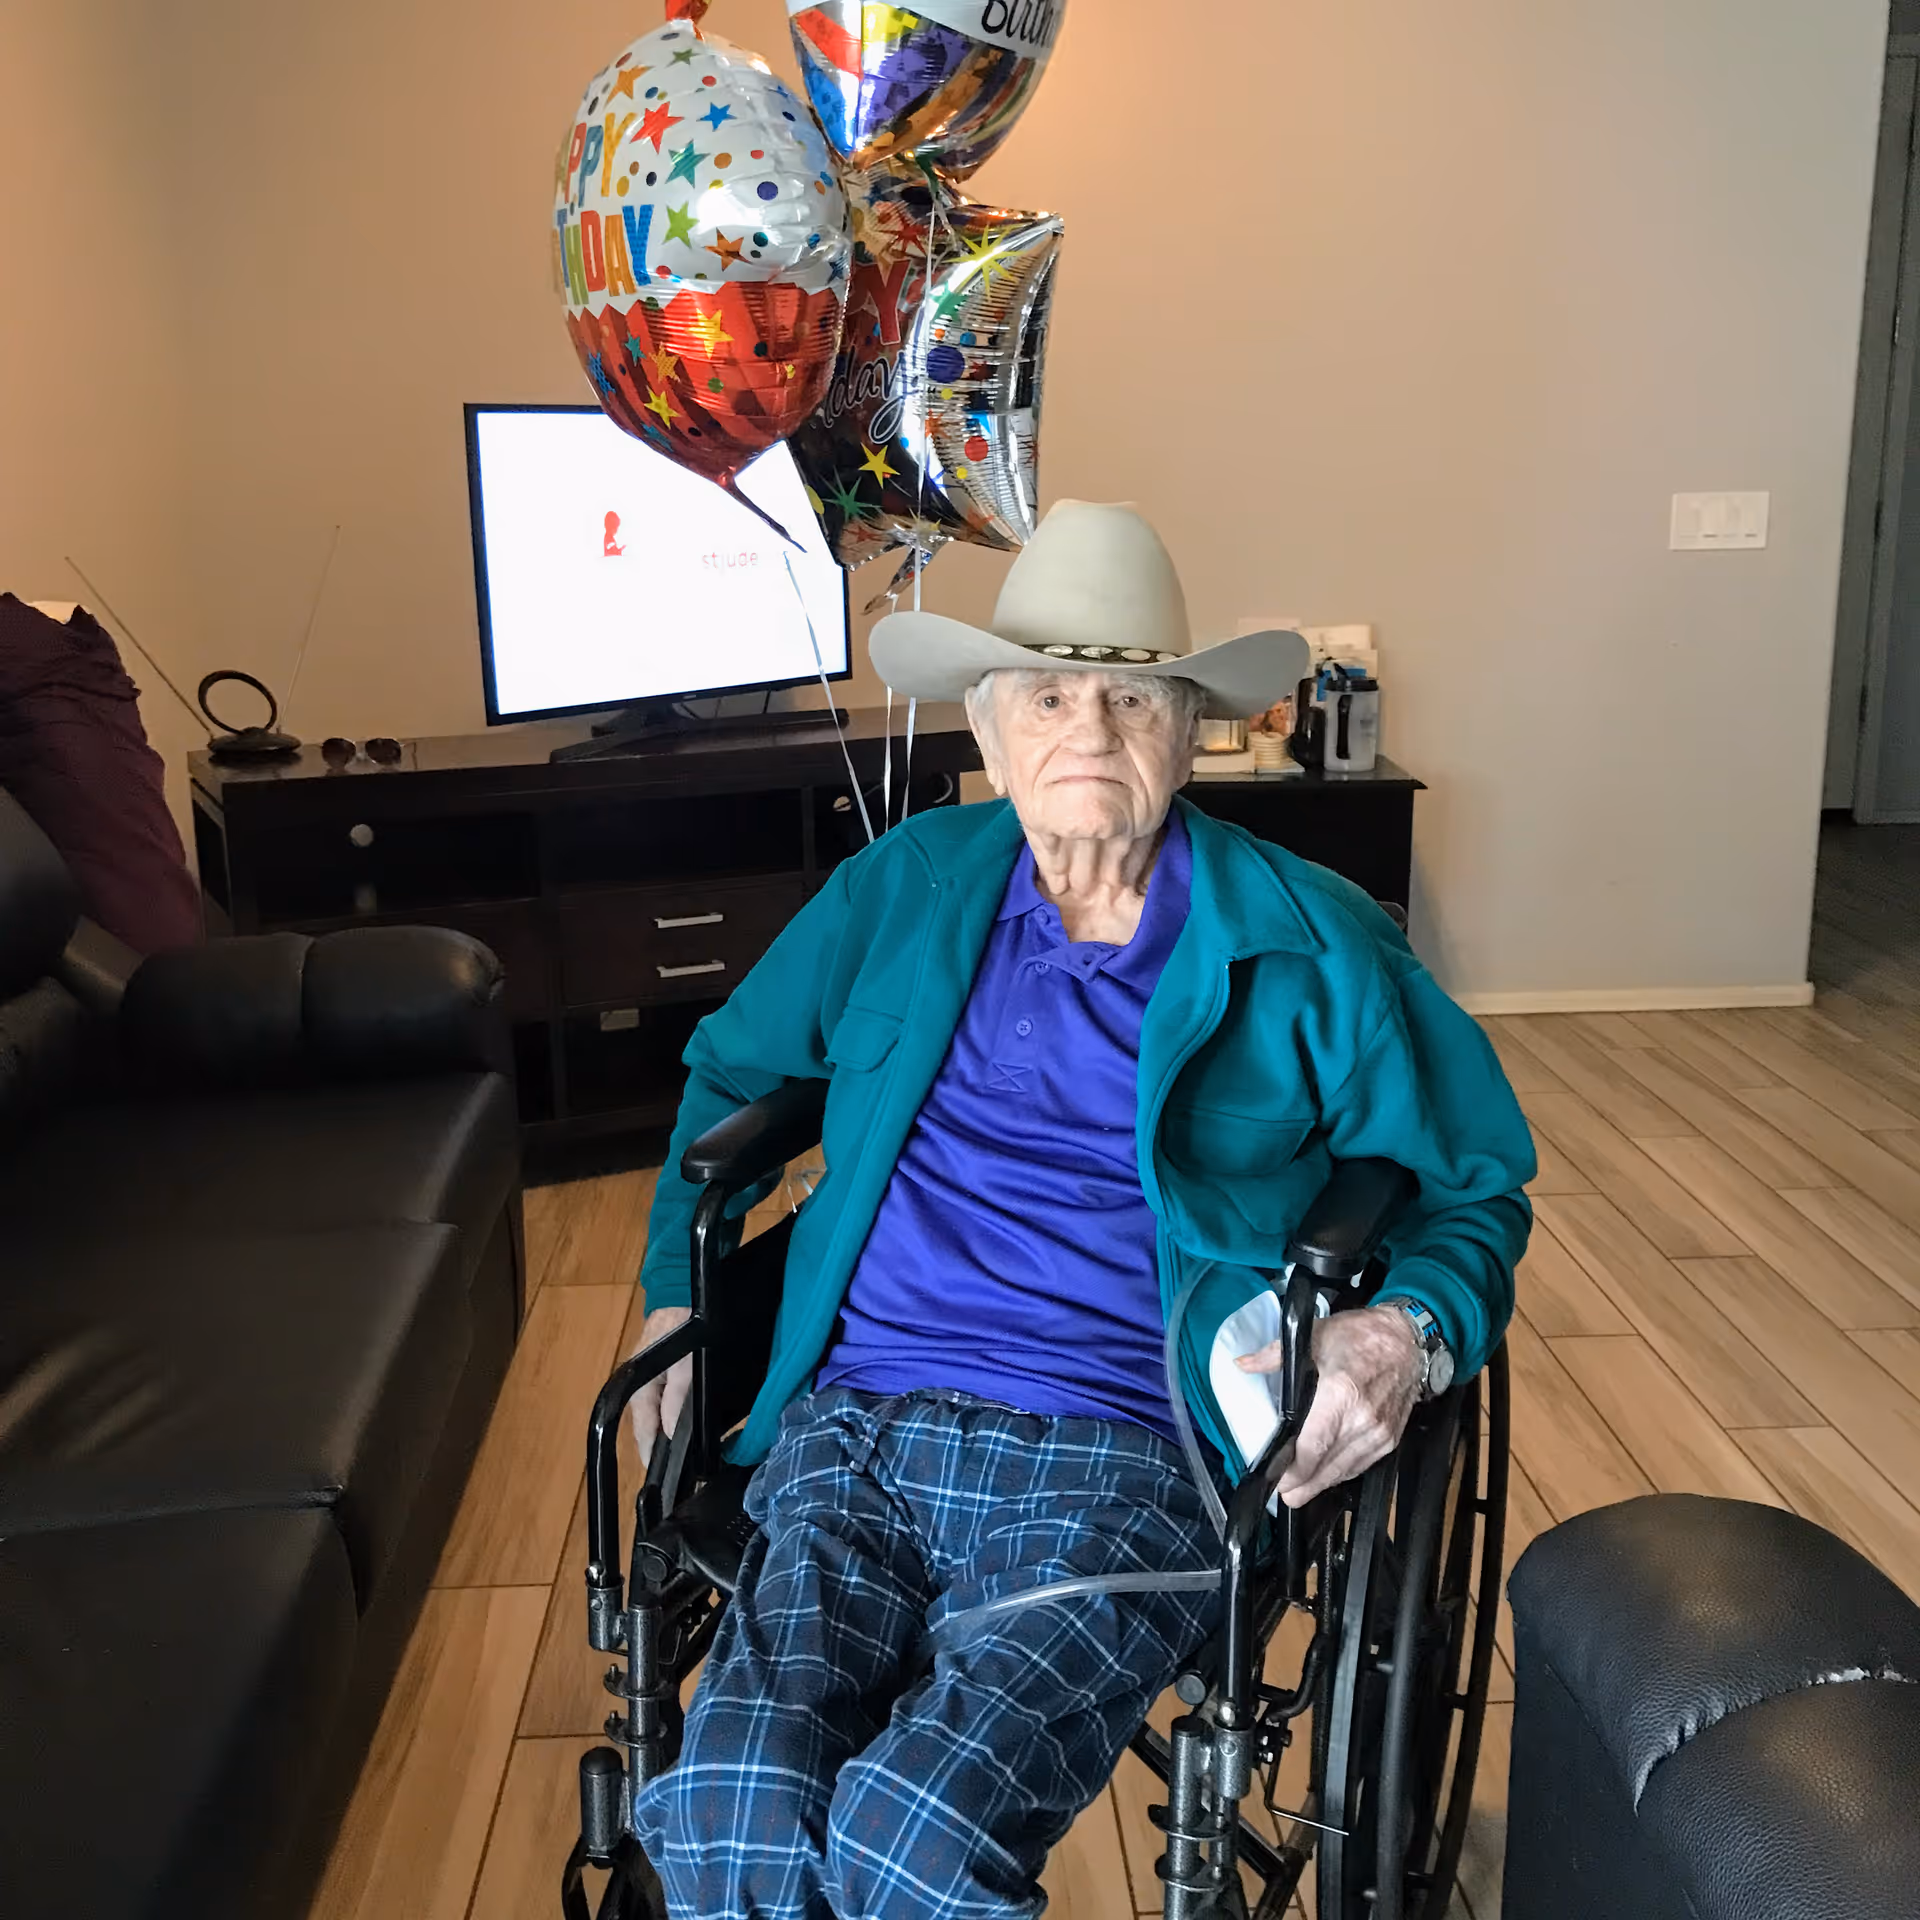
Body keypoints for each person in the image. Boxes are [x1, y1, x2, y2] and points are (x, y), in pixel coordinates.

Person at [623, 501, 1534, 1919]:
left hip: (1128, 1450)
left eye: (1130, 695)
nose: (1087, 729)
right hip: (860, 1423)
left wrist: (1404, 1336)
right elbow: (731, 1075)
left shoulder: (1315, 940)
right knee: (728, 1806)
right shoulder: (903, 887)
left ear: (1191, 728)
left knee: (916, 1834)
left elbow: (1474, 1187)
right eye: (1047, 692)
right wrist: (674, 1299)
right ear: (989, 729)